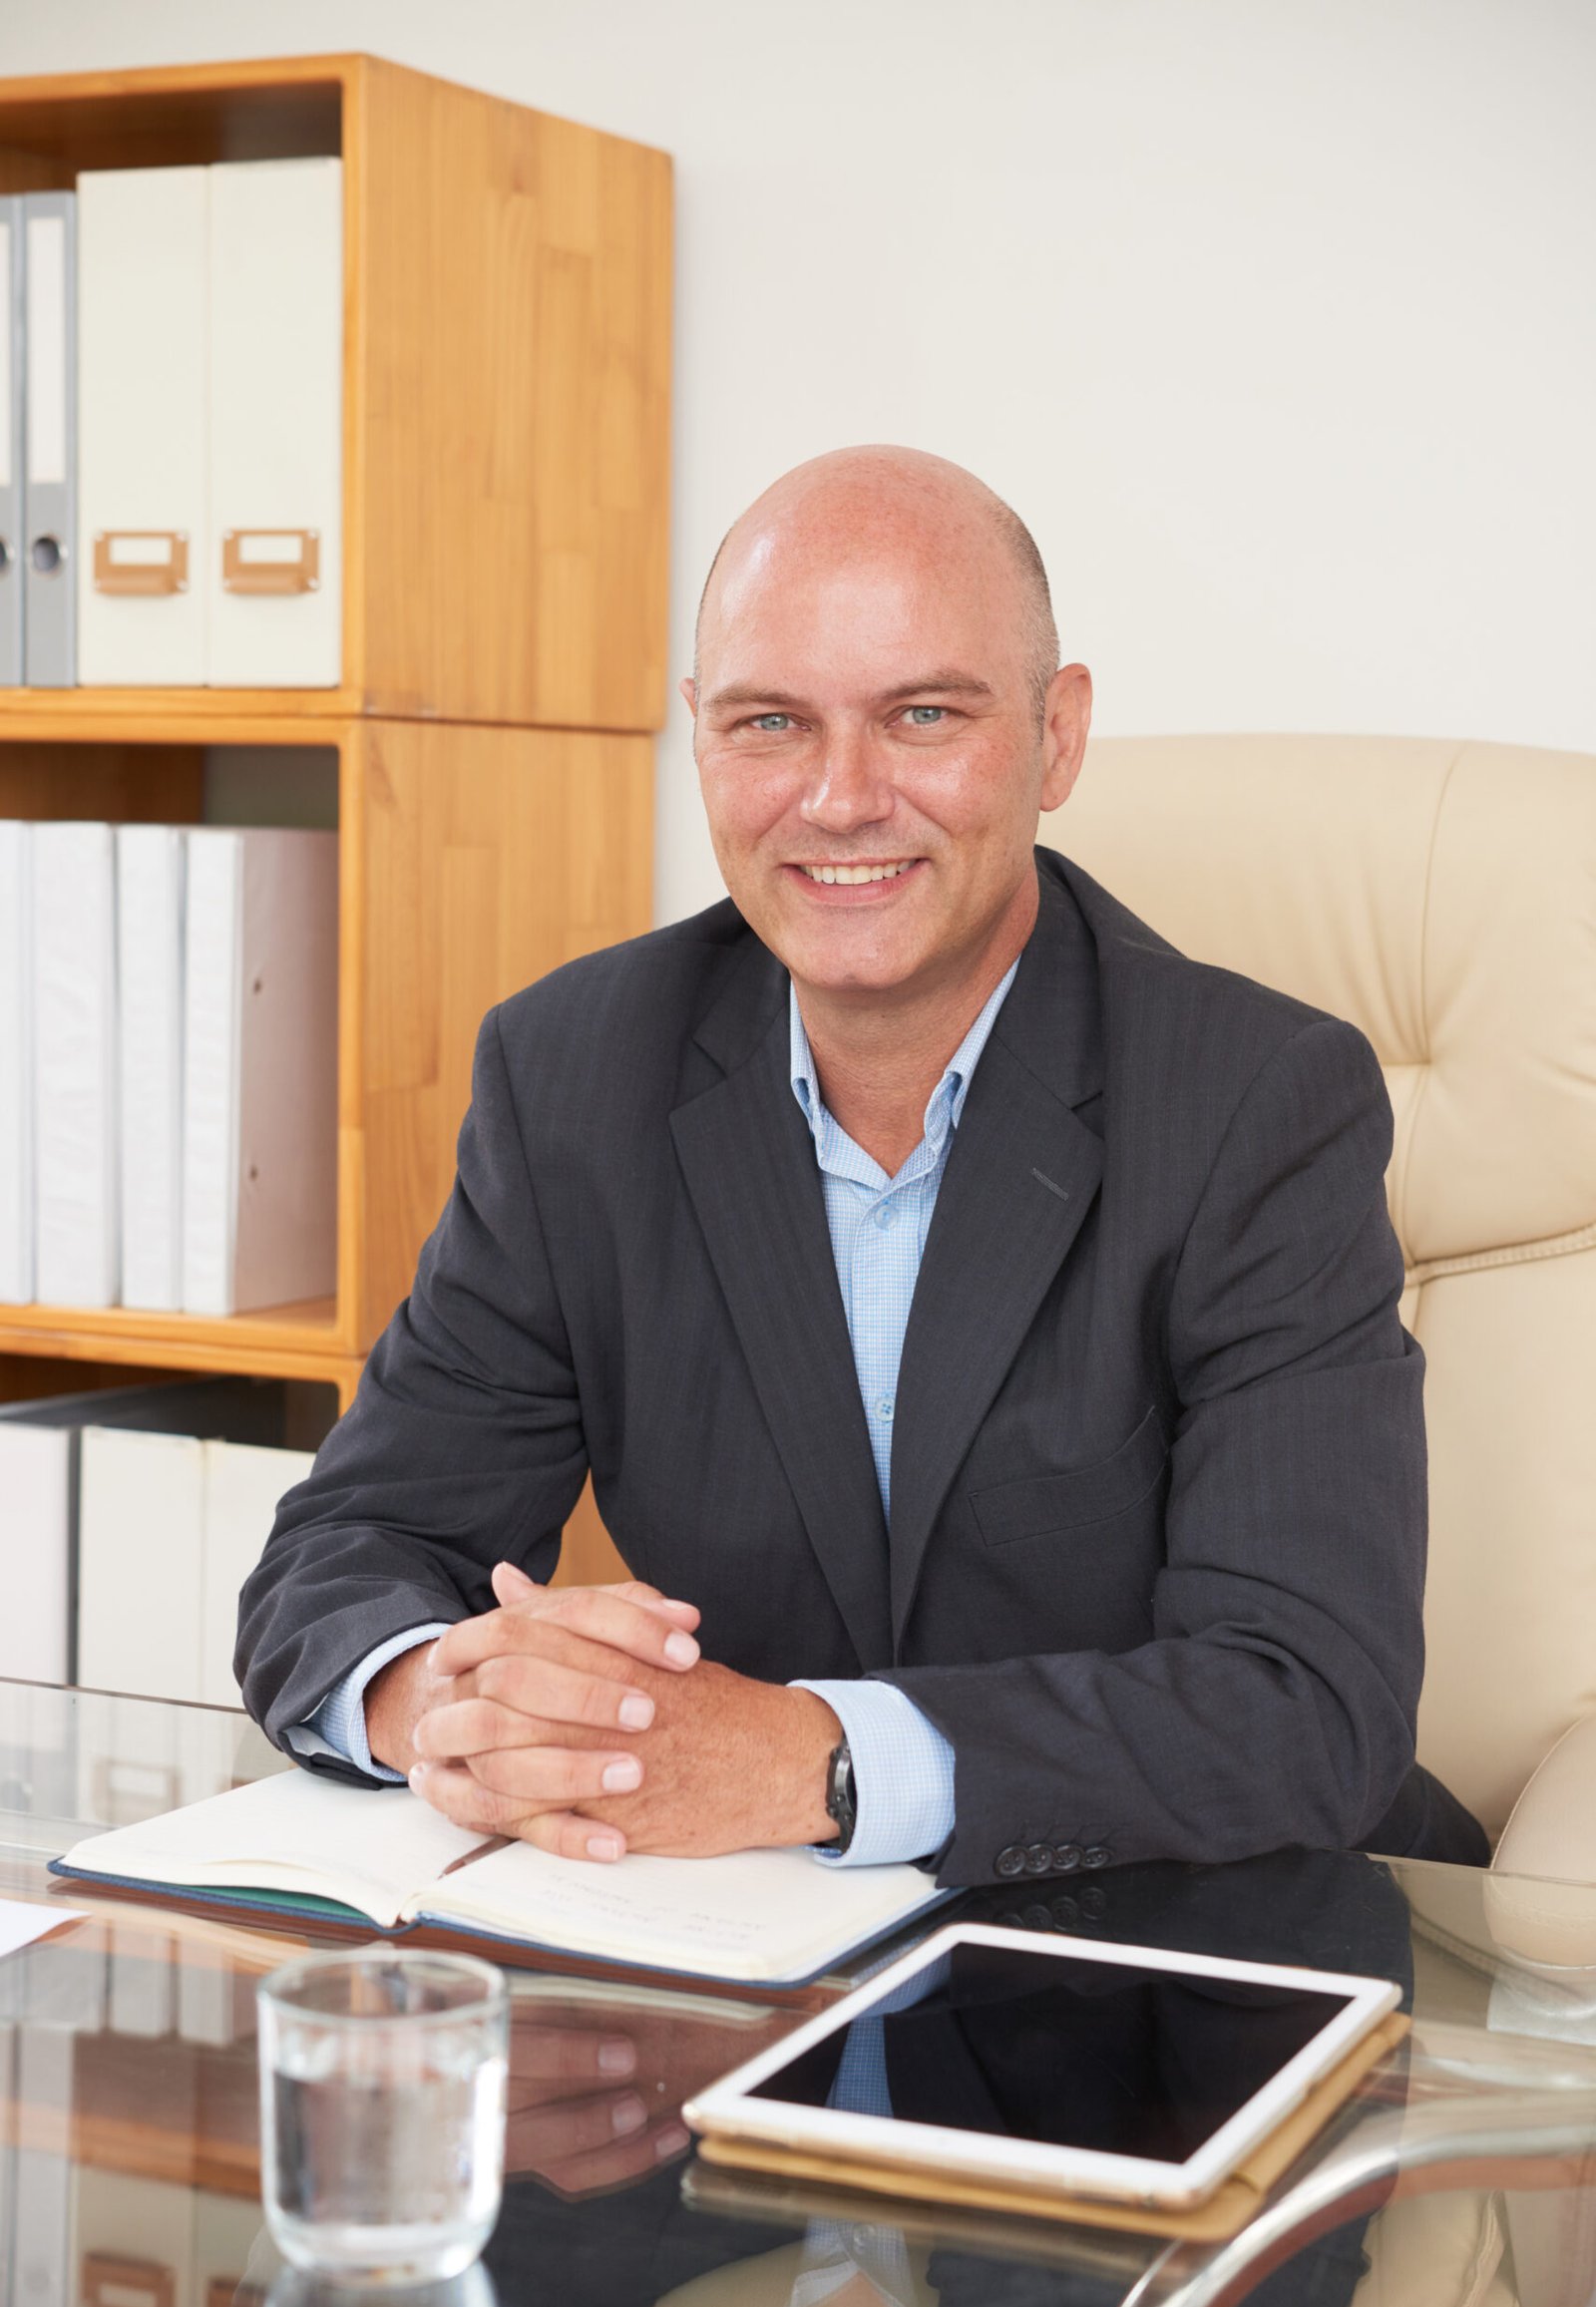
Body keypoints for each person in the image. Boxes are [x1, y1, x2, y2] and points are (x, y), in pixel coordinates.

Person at [237, 445, 1485, 1879]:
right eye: (771, 723)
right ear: (701, 737)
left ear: (1057, 737)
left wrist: (817, 1759)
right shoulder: (575, 1072)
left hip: (1189, 1936)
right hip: (740, 1938)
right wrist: (451, 1702)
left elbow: (1307, 1705)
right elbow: (347, 1549)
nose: (839, 798)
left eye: (923, 715)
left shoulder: (1258, 1104)